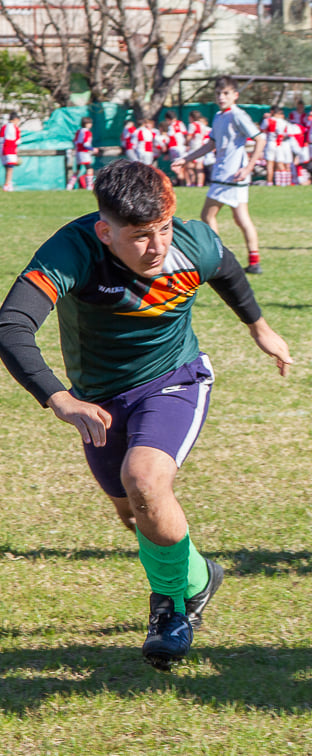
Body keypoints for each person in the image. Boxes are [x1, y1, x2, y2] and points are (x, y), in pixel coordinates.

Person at [0, 161, 292, 669]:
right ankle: (199, 578)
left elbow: (224, 266)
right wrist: (58, 397)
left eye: (163, 229)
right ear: (105, 231)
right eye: (139, 236)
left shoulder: (190, 240)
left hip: (174, 378)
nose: (157, 247)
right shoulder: (73, 250)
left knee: (145, 481)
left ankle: (171, 611)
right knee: (132, 512)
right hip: (98, 398)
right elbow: (12, 324)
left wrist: (258, 327)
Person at [173, 76, 267, 275]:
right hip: (227, 175)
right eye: (218, 93)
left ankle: (219, 261)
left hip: (230, 176)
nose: (221, 97)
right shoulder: (218, 116)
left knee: (208, 215)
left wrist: (249, 167)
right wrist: (186, 159)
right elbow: (211, 144)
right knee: (241, 218)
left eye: (225, 93)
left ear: (235, 95)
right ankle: (254, 261)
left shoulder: (237, 115)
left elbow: (260, 139)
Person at [71, 116, 96, 191]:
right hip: (84, 153)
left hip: (78, 152)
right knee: (89, 169)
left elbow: (75, 141)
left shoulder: (78, 131)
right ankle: (89, 186)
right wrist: (93, 149)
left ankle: (70, 185)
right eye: (90, 123)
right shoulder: (87, 132)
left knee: (78, 170)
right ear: (87, 124)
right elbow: (86, 144)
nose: (91, 125)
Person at [2, 112, 20, 191]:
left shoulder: (4, 127)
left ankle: (8, 183)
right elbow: (16, 140)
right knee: (10, 168)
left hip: (3, 150)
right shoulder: (13, 127)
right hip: (10, 149)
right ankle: (7, 185)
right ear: (15, 119)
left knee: (7, 168)